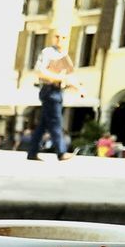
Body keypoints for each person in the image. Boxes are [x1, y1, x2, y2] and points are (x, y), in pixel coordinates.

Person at [26, 30, 84, 161]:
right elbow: (40, 72)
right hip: (49, 90)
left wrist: (78, 88)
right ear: (53, 38)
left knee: (44, 124)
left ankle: (32, 152)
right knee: (56, 122)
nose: (60, 40)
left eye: (63, 37)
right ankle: (61, 152)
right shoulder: (48, 52)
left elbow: (69, 76)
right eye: (57, 36)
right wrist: (59, 78)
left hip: (57, 90)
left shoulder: (63, 55)